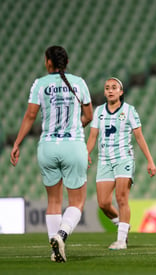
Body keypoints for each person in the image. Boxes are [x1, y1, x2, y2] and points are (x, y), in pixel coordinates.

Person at [10, 45, 93, 262]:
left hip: (47, 147)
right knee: (77, 202)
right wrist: (77, 125)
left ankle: (55, 252)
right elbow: (89, 115)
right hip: (72, 145)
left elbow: (30, 116)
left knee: (53, 202)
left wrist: (17, 143)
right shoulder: (79, 82)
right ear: (66, 62)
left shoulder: (40, 84)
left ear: (48, 62)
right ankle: (61, 235)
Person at [87, 77, 156, 250]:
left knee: (121, 197)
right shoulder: (99, 112)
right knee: (103, 203)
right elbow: (93, 136)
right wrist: (86, 154)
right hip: (104, 160)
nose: (110, 90)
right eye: (107, 88)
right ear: (104, 92)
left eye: (114, 87)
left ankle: (121, 240)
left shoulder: (129, 111)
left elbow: (139, 136)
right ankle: (123, 224)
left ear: (121, 91)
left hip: (123, 158)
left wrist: (150, 160)